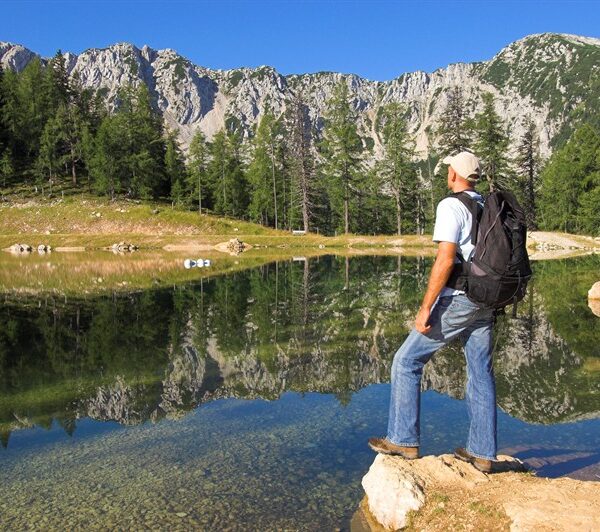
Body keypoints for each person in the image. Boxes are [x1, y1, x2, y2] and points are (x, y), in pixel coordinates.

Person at [368, 151, 496, 473]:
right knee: (480, 372)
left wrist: (426, 307)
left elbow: (445, 260)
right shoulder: (488, 207)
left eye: (448, 169)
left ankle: (403, 440)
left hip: (460, 300)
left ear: (454, 174)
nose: (446, 174)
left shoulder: (451, 206)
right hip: (489, 299)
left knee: (406, 361)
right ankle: (482, 453)